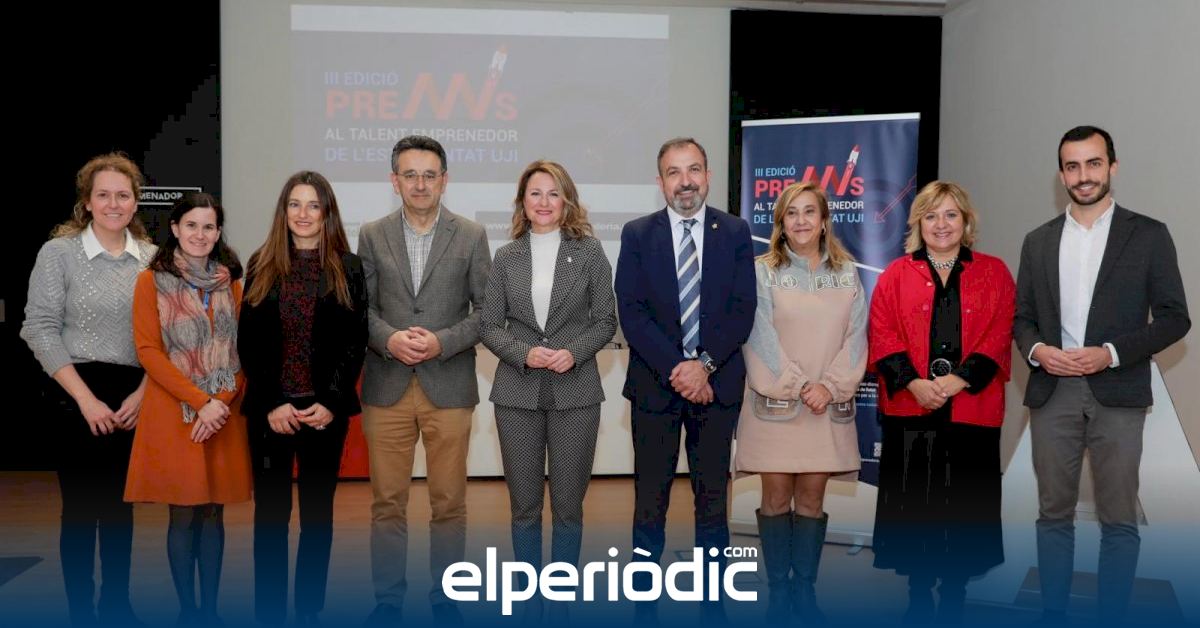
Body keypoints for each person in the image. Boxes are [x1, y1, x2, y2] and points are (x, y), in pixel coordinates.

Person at [1013, 126, 1190, 624]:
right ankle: (1053, 614)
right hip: (1053, 391)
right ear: (1061, 175)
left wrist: (1110, 354)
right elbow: (1022, 318)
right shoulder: (1038, 241)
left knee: (1118, 520)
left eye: (1093, 163)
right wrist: (1039, 351)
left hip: (1118, 390)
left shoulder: (1149, 234)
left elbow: (1175, 318)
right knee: (1053, 515)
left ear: (1112, 166)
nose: (1083, 175)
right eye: (1072, 166)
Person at [614, 137, 756, 619]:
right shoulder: (637, 234)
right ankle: (644, 606)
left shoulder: (734, 231)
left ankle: (713, 606)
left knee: (712, 504)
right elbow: (631, 312)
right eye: (674, 172)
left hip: (716, 388)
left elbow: (743, 308)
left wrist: (704, 366)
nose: (685, 181)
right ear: (660, 182)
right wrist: (680, 370)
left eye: (693, 169)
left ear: (708, 176)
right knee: (649, 503)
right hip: (656, 388)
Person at [357, 135, 491, 625]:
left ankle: (446, 595)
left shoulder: (471, 235)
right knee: (386, 504)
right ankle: (388, 600)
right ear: (394, 181)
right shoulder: (371, 234)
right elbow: (361, 308)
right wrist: (389, 339)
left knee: (449, 503)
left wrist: (442, 342)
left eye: (429, 175)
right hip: (386, 384)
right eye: (410, 175)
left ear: (444, 180)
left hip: (449, 384)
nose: (420, 184)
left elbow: (487, 312)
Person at [867, 181, 1015, 624]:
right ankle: (918, 593)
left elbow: (1000, 331)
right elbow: (882, 333)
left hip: (971, 406)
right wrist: (913, 383)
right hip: (913, 408)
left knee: (966, 503)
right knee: (916, 503)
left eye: (951, 214)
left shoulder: (994, 272)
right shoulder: (896, 274)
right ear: (918, 224)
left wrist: (958, 380)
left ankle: (954, 594)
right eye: (931, 216)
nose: (941, 224)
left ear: (966, 221)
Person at [21, 153, 156, 626]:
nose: (113, 204)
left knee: (121, 509)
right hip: (73, 393)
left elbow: (167, 338)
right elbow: (38, 328)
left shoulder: (153, 260)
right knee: (79, 510)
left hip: (133, 396)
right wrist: (86, 400)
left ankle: (117, 606)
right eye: (103, 195)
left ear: (136, 202)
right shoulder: (58, 254)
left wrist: (143, 394)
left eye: (123, 195)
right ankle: (80, 611)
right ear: (87, 201)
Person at [479, 160, 617, 621]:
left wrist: (572, 352)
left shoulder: (590, 252)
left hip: (576, 394)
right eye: (535, 193)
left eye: (553, 193)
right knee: (523, 508)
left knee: (568, 507)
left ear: (567, 201)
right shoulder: (506, 257)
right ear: (522, 202)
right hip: (516, 396)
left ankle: (559, 599)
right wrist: (524, 352)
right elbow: (489, 326)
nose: (544, 202)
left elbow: (606, 321)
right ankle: (526, 599)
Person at [238, 171, 368, 626]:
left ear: (327, 212)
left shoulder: (348, 267)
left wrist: (331, 402)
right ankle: (270, 612)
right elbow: (249, 342)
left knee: (317, 517)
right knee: (270, 517)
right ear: (283, 211)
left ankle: (309, 610)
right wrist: (272, 402)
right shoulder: (261, 263)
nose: (304, 214)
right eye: (295, 204)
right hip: (270, 412)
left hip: (322, 413)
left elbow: (355, 342)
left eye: (314, 205)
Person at [734, 181, 867, 623]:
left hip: (825, 407)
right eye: (791, 213)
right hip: (774, 407)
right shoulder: (761, 271)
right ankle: (778, 592)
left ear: (825, 220)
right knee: (775, 499)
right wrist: (797, 384)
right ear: (781, 224)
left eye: (810, 211)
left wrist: (828, 386)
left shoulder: (847, 272)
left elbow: (857, 337)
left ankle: (804, 591)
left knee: (811, 500)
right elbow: (758, 336)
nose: (801, 220)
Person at [124, 193, 251, 626]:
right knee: (183, 513)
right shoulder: (150, 281)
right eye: (192, 225)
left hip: (222, 415)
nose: (200, 234)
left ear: (218, 233)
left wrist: (220, 404)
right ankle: (187, 612)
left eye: (209, 226)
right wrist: (201, 403)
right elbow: (148, 351)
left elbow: (244, 352)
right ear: (175, 229)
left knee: (213, 512)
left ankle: (210, 611)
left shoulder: (232, 283)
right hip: (176, 411)